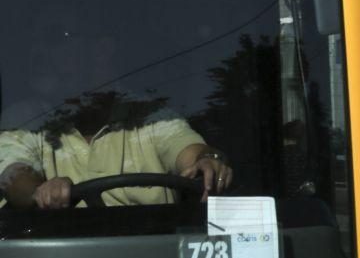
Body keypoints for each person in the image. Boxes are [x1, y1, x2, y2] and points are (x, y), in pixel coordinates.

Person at [0, 93, 232, 209]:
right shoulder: (27, 120)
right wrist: (39, 191)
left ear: (104, 50)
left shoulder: (150, 114)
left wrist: (206, 160)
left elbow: (186, 149)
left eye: (66, 38)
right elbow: (14, 175)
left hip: (155, 249)